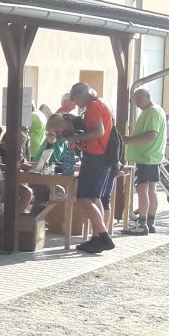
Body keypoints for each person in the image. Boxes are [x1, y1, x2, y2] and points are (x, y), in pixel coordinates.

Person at [64, 81, 119, 255]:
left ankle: (103, 236)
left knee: (84, 198)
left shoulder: (94, 106)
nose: (75, 103)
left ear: (81, 94)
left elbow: (98, 131)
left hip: (95, 157)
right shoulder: (102, 103)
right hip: (102, 157)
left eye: (74, 98)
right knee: (95, 198)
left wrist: (73, 137)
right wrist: (77, 122)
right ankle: (97, 237)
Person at [122, 87, 166, 235]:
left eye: (139, 99)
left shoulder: (151, 112)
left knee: (143, 190)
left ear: (148, 96)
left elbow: (151, 135)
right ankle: (150, 222)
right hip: (152, 156)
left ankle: (142, 224)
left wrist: (128, 140)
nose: (136, 102)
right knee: (151, 190)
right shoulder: (157, 110)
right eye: (134, 99)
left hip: (146, 156)